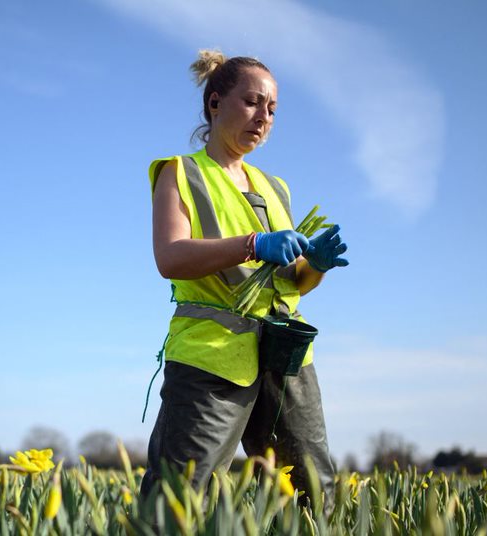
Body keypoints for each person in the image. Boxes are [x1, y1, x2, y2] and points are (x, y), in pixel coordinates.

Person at [140, 50, 349, 512]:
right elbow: (170, 257)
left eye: (272, 109)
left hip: (286, 355)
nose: (264, 117)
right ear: (215, 103)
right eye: (253, 102)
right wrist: (253, 243)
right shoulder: (180, 173)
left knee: (311, 495)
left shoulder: (276, 187)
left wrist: (314, 265)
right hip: (211, 360)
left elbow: (291, 283)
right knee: (179, 497)